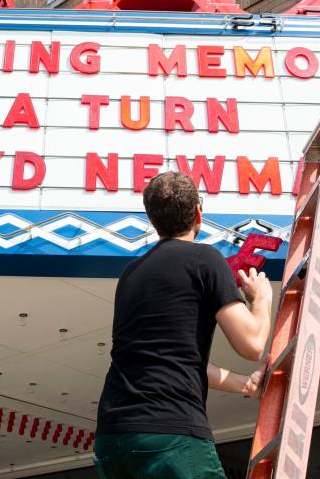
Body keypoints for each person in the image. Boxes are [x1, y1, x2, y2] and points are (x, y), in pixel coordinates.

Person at [94, 171, 274, 478]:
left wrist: (244, 384)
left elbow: (174, 361)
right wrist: (261, 299)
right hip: (170, 433)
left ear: (153, 220)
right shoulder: (204, 259)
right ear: (198, 214)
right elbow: (252, 344)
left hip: (113, 437)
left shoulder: (131, 274)